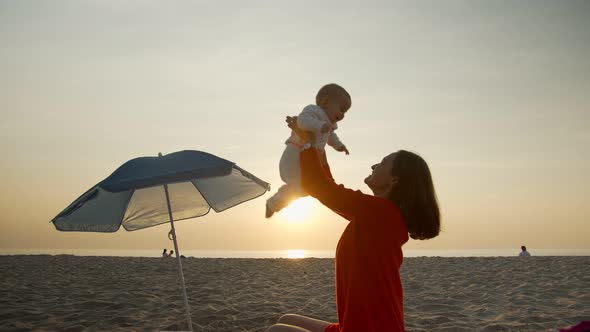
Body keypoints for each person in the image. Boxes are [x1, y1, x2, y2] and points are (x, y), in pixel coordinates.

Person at [267, 117, 441, 332]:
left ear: (394, 180)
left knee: (277, 331)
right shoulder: (376, 216)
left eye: (382, 163)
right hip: (355, 326)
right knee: (287, 318)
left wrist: (308, 143)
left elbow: (321, 188)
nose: (374, 165)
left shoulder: (381, 213)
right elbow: (328, 190)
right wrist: (318, 148)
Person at [265, 83, 351, 219]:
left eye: (345, 112)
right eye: (341, 109)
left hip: (307, 156)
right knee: (299, 185)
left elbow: (331, 137)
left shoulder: (329, 125)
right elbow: (302, 121)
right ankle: (273, 204)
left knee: (306, 189)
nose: (342, 115)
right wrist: (319, 126)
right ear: (325, 102)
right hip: (295, 152)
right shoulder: (314, 111)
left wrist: (339, 146)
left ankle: (274, 204)